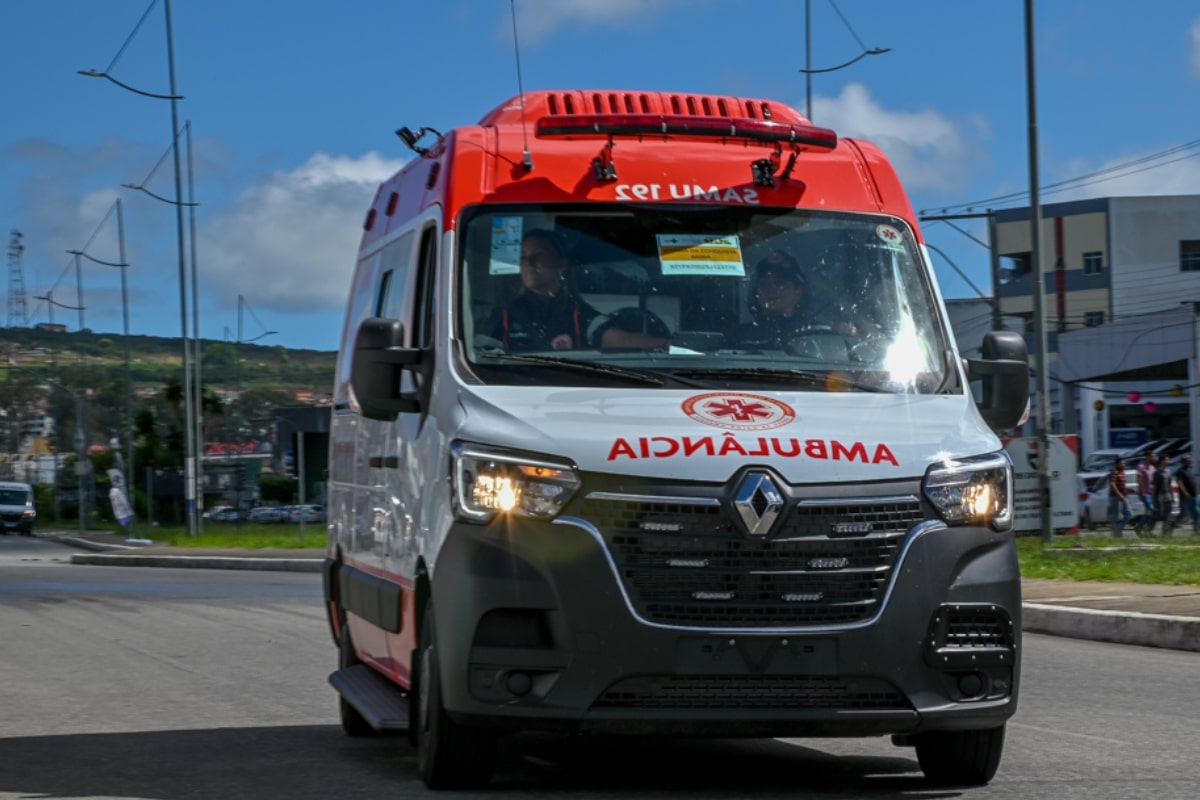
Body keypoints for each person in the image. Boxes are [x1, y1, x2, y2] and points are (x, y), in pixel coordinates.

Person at [488, 229, 669, 352]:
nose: (529, 263)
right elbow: (481, 348)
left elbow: (620, 339)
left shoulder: (578, 314)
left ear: (562, 264)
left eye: (539, 254)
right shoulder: (504, 314)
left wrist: (668, 345)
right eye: (523, 257)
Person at [731, 250, 855, 349]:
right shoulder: (740, 337)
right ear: (756, 292)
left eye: (779, 283)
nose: (771, 289)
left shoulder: (820, 333)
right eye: (764, 284)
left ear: (798, 291)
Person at [1133, 451, 1157, 535]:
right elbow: (1139, 479)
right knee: (1151, 509)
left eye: (1154, 456)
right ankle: (1140, 526)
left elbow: (1154, 480)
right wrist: (1143, 491)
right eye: (1152, 456)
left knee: (1150, 512)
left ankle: (1141, 527)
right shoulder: (1141, 466)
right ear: (1147, 457)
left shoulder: (1153, 468)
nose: (1154, 458)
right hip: (1144, 493)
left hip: (1151, 493)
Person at [1107, 457, 1131, 536]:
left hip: (1124, 496)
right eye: (1121, 464)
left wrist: (1128, 491)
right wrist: (1119, 494)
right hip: (1115, 496)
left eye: (1124, 464)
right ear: (1116, 464)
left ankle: (1117, 530)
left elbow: (1123, 485)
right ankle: (1116, 533)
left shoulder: (1123, 472)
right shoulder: (1114, 472)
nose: (1123, 465)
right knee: (1115, 515)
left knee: (1128, 514)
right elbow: (1113, 484)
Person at [1173, 454, 1197, 533]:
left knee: (1195, 513)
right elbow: (1180, 483)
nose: (1190, 461)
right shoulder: (1180, 471)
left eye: (1189, 460)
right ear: (1183, 462)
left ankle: (1196, 530)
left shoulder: (1189, 470)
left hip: (1193, 496)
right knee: (1183, 514)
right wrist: (1185, 492)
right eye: (1187, 461)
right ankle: (1171, 525)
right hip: (1185, 497)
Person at [1152, 454, 1174, 536]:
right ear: (1162, 461)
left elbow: (1170, 485)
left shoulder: (1169, 471)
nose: (1168, 461)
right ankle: (1148, 527)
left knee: (1168, 515)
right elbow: (1154, 487)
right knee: (1160, 515)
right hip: (1159, 496)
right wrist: (1153, 498)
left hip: (1167, 496)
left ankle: (1165, 533)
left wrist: (1172, 496)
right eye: (1166, 460)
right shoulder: (1157, 473)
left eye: (1168, 460)